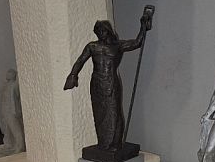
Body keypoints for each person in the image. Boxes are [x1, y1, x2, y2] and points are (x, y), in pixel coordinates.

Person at [64, 13, 151, 150]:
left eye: (103, 31)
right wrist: (73, 75)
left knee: (114, 112)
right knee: (99, 113)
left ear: (108, 31)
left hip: (111, 82)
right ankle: (103, 143)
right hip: (96, 83)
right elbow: (80, 61)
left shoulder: (118, 46)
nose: (101, 34)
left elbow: (137, 43)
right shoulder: (92, 46)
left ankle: (115, 143)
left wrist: (143, 27)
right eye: (98, 31)